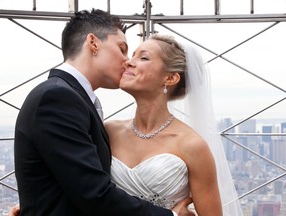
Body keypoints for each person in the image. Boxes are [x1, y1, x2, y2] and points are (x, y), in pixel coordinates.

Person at [12, 8, 193, 216]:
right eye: (122, 48)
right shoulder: (58, 98)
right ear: (93, 43)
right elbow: (94, 193)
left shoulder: (70, 97)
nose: (127, 61)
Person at [106, 34, 243, 216]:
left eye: (143, 57)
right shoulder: (108, 131)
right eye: (132, 55)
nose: (128, 62)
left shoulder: (192, 145)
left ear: (170, 79)